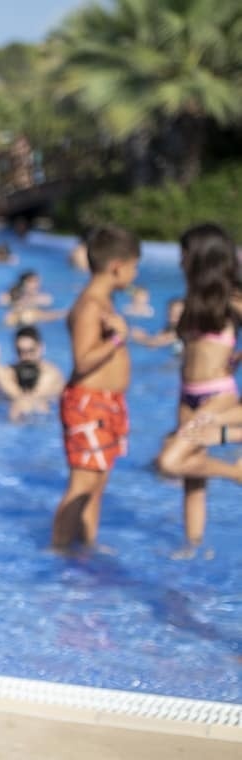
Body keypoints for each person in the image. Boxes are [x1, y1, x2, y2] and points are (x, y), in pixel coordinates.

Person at [153, 223, 242, 554]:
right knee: (192, 478)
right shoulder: (193, 301)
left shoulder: (234, 301)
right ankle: (193, 545)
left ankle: (235, 472)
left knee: (170, 462)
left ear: (203, 259)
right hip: (186, 394)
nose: (180, 262)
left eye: (185, 255)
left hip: (216, 397)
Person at [50, 225, 141, 550]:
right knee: (82, 483)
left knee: (98, 481)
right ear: (118, 266)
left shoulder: (104, 301)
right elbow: (82, 360)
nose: (136, 272)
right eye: (134, 266)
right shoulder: (90, 305)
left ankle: (86, 545)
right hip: (89, 404)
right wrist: (117, 339)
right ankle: (59, 549)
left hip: (108, 403)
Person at [0, 325, 66, 421]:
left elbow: (27, 399)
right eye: (20, 352)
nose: (26, 357)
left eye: (31, 351)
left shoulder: (50, 374)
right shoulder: (12, 370)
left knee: (32, 407)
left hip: (45, 417)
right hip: (20, 413)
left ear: (41, 348)